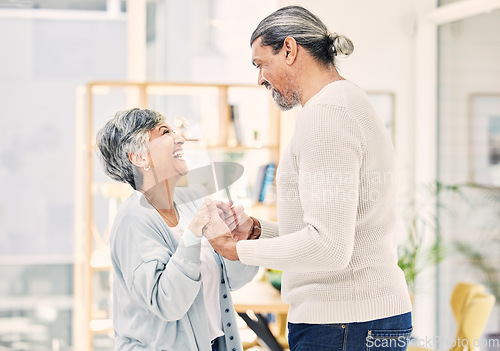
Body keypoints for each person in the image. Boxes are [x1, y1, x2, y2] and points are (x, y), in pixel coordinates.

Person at [203, 5, 413, 351]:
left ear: (289, 49)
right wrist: (258, 230)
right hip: (358, 319)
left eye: (260, 64)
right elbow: (335, 229)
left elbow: (328, 248)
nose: (259, 79)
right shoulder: (347, 101)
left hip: (342, 323)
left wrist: (237, 249)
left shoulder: (326, 116)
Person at [95, 108, 258, 351]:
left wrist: (236, 241)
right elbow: (167, 303)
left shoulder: (191, 199)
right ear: (139, 157)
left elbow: (234, 280)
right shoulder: (133, 220)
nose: (179, 138)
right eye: (165, 132)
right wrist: (193, 236)